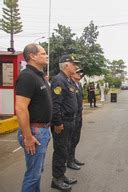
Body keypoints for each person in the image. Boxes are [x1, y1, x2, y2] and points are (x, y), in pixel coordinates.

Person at [15, 43, 52, 192]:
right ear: (33, 56)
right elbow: (21, 107)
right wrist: (27, 137)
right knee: (33, 175)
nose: (46, 55)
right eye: (43, 53)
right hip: (34, 133)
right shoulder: (27, 77)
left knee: (37, 172)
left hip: (42, 131)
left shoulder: (39, 76)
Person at [50, 55, 79, 191]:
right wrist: (57, 123)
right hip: (63, 122)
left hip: (70, 120)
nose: (76, 67)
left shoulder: (67, 80)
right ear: (66, 65)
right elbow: (55, 105)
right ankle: (56, 179)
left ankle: (61, 176)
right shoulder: (58, 80)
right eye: (73, 64)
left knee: (65, 149)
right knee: (60, 150)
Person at [68, 67, 85, 168]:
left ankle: (72, 157)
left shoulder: (79, 85)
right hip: (73, 116)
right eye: (77, 73)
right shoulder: (70, 85)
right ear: (72, 74)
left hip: (79, 115)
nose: (80, 74)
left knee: (76, 138)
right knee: (71, 139)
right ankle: (69, 161)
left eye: (80, 73)